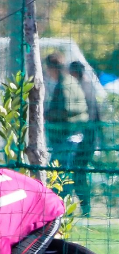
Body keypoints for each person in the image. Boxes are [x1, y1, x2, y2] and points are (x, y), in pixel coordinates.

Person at [44, 53, 89, 204]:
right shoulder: (69, 81)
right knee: (64, 171)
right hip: (72, 134)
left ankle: (59, 204)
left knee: (61, 172)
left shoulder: (64, 84)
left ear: (52, 68)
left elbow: (65, 109)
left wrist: (47, 115)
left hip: (67, 136)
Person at [68, 59, 102, 216]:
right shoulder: (89, 87)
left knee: (77, 174)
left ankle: (84, 207)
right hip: (91, 138)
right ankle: (85, 207)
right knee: (79, 174)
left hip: (83, 139)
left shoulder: (79, 88)